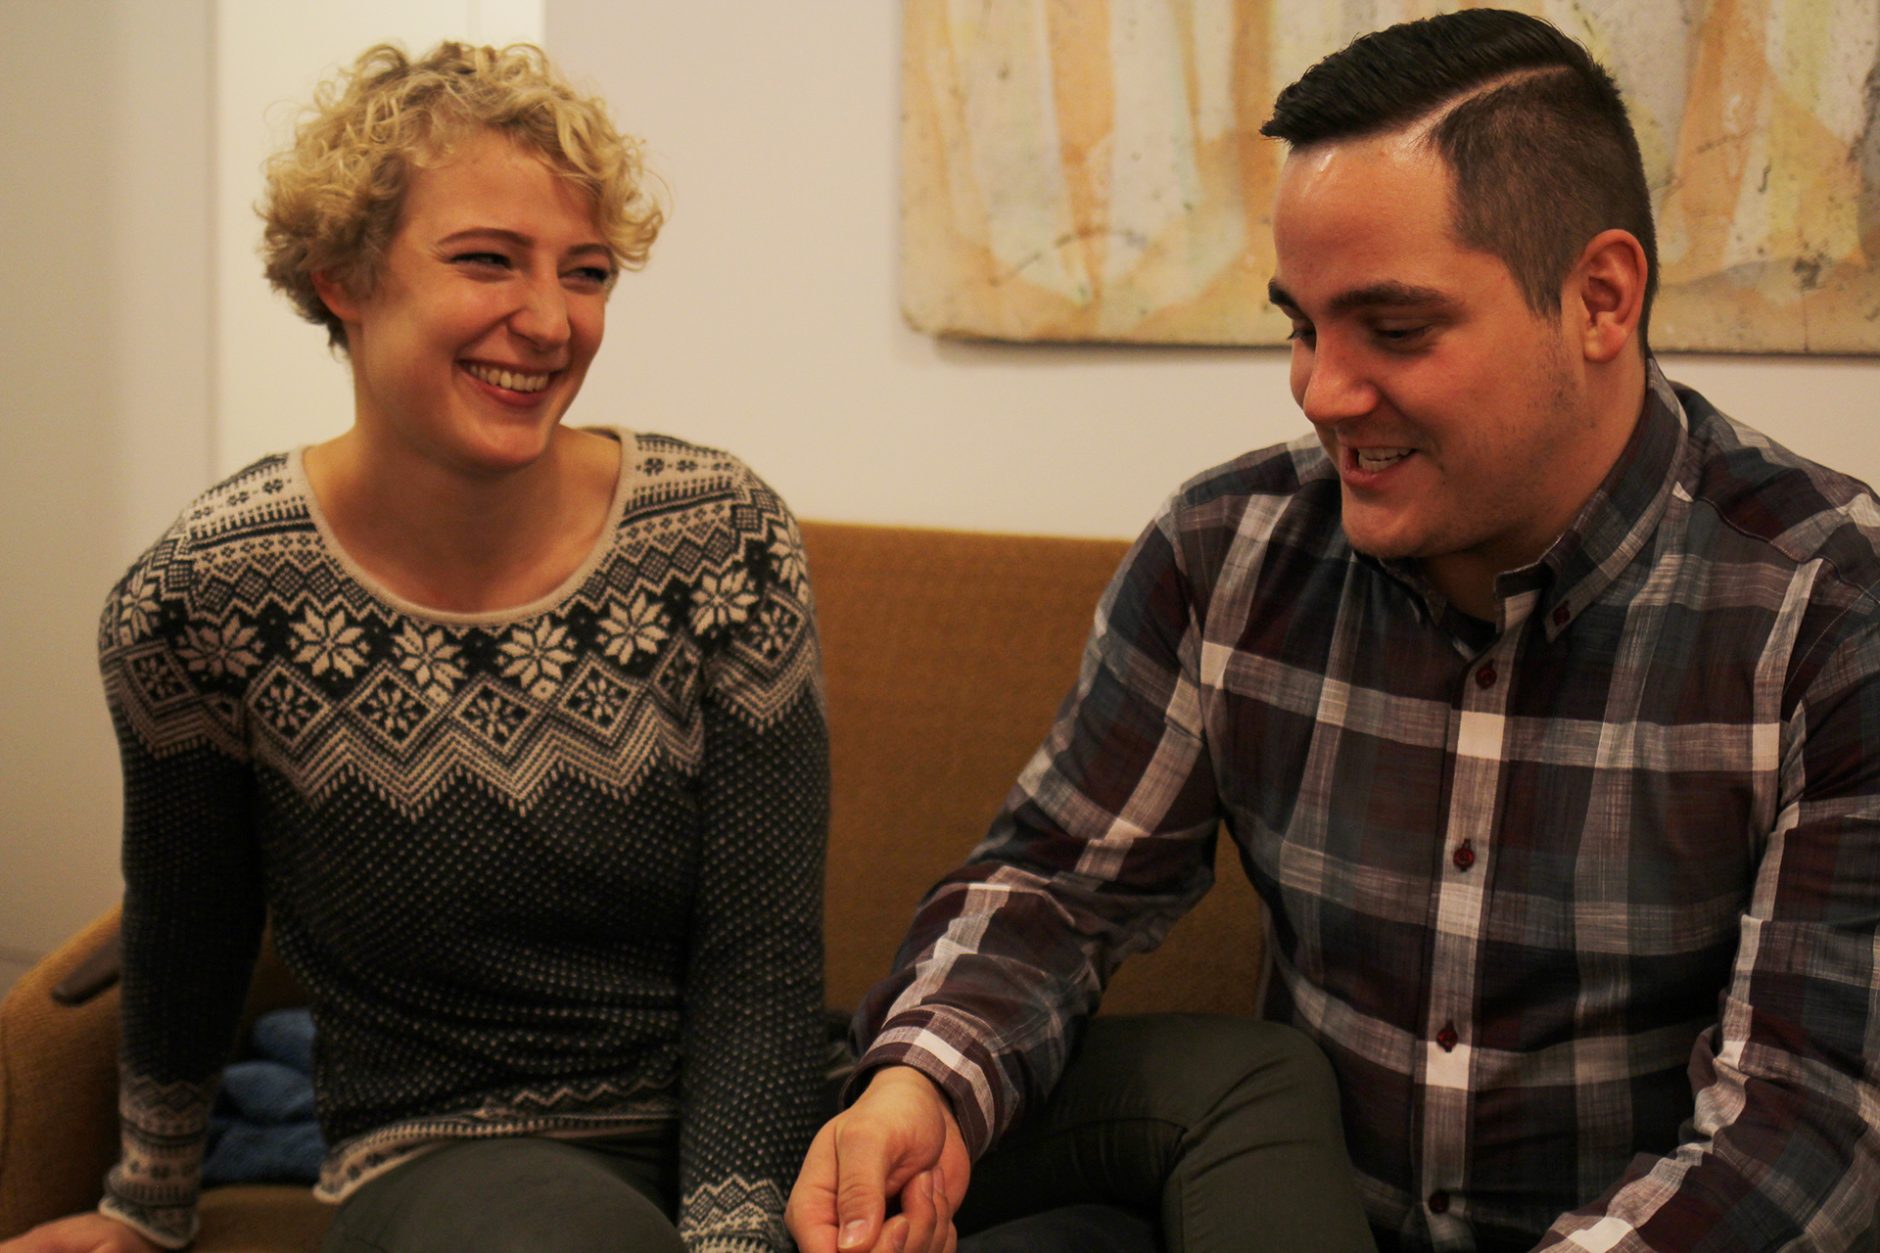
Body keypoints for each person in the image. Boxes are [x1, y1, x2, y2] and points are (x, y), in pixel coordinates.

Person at [787, 9, 1880, 1253]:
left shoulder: (1826, 604)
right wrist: (918, 1082)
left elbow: (1805, 1123)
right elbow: (1053, 886)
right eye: (1301, 326)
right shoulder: (1225, 550)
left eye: (1394, 330)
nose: (1319, 390)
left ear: (1599, 296)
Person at [3, 41, 826, 1253]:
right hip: (456, 1156)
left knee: (1135, 1110)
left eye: (586, 272)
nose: (549, 321)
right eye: (487, 259)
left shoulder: (719, 535)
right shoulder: (202, 599)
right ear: (342, 275)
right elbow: (189, 922)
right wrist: (147, 1203)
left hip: (753, 1111)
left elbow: (762, 946)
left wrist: (737, 1232)